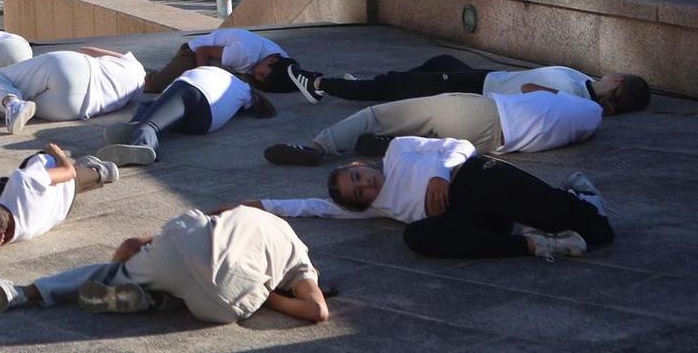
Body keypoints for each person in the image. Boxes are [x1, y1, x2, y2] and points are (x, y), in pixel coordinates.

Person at [250, 140, 612, 262]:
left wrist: (441, 173)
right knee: (417, 237)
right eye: (358, 192)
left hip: (474, 177)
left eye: (358, 176)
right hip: (468, 216)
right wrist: (259, 205)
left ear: (359, 165)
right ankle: (531, 244)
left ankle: (581, 199)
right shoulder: (378, 206)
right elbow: (310, 206)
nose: (365, 185)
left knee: (599, 232)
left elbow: (460, 145)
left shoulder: (397, 151)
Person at [0, 205, 330, 324]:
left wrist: (127, 259)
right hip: (223, 306)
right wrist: (267, 295)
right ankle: (152, 300)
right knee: (186, 295)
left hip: (180, 251)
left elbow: (131, 244)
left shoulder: (251, 217)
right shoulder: (298, 255)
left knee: (112, 272)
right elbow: (318, 310)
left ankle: (21, 293)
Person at [263, 90, 603, 166]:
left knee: (380, 113)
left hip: (486, 112)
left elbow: (530, 89)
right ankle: (389, 145)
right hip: (494, 143)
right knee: (431, 138)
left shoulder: (582, 99)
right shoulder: (587, 125)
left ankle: (319, 147)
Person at [275, 52, 651, 114]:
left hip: (479, 90)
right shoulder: (584, 83)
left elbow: (528, 93)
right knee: (438, 63)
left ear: (617, 80)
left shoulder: (575, 96)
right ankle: (369, 84)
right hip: (483, 77)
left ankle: (320, 84)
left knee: (393, 85)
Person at [0, 142, 118, 251]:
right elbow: (67, 171)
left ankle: (98, 172)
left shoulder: (8, 236)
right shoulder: (24, 181)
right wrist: (56, 151)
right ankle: (98, 171)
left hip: (61, 209)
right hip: (62, 181)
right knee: (72, 175)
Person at [98, 65, 275, 166]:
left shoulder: (208, 70)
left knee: (151, 119)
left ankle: (144, 140)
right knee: (157, 111)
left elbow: (165, 96)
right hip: (206, 123)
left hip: (193, 91)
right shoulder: (245, 91)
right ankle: (138, 127)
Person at [0, 46, 147, 131]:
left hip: (74, 66)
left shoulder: (133, 62)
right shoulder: (137, 88)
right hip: (76, 108)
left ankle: (7, 102)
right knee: (30, 101)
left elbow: (87, 50)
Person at [141, 27, 292, 95]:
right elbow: (203, 50)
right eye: (262, 75)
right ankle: (141, 73)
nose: (258, 78)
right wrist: (201, 80)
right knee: (156, 86)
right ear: (271, 60)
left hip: (226, 62)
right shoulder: (243, 55)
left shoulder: (282, 58)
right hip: (194, 54)